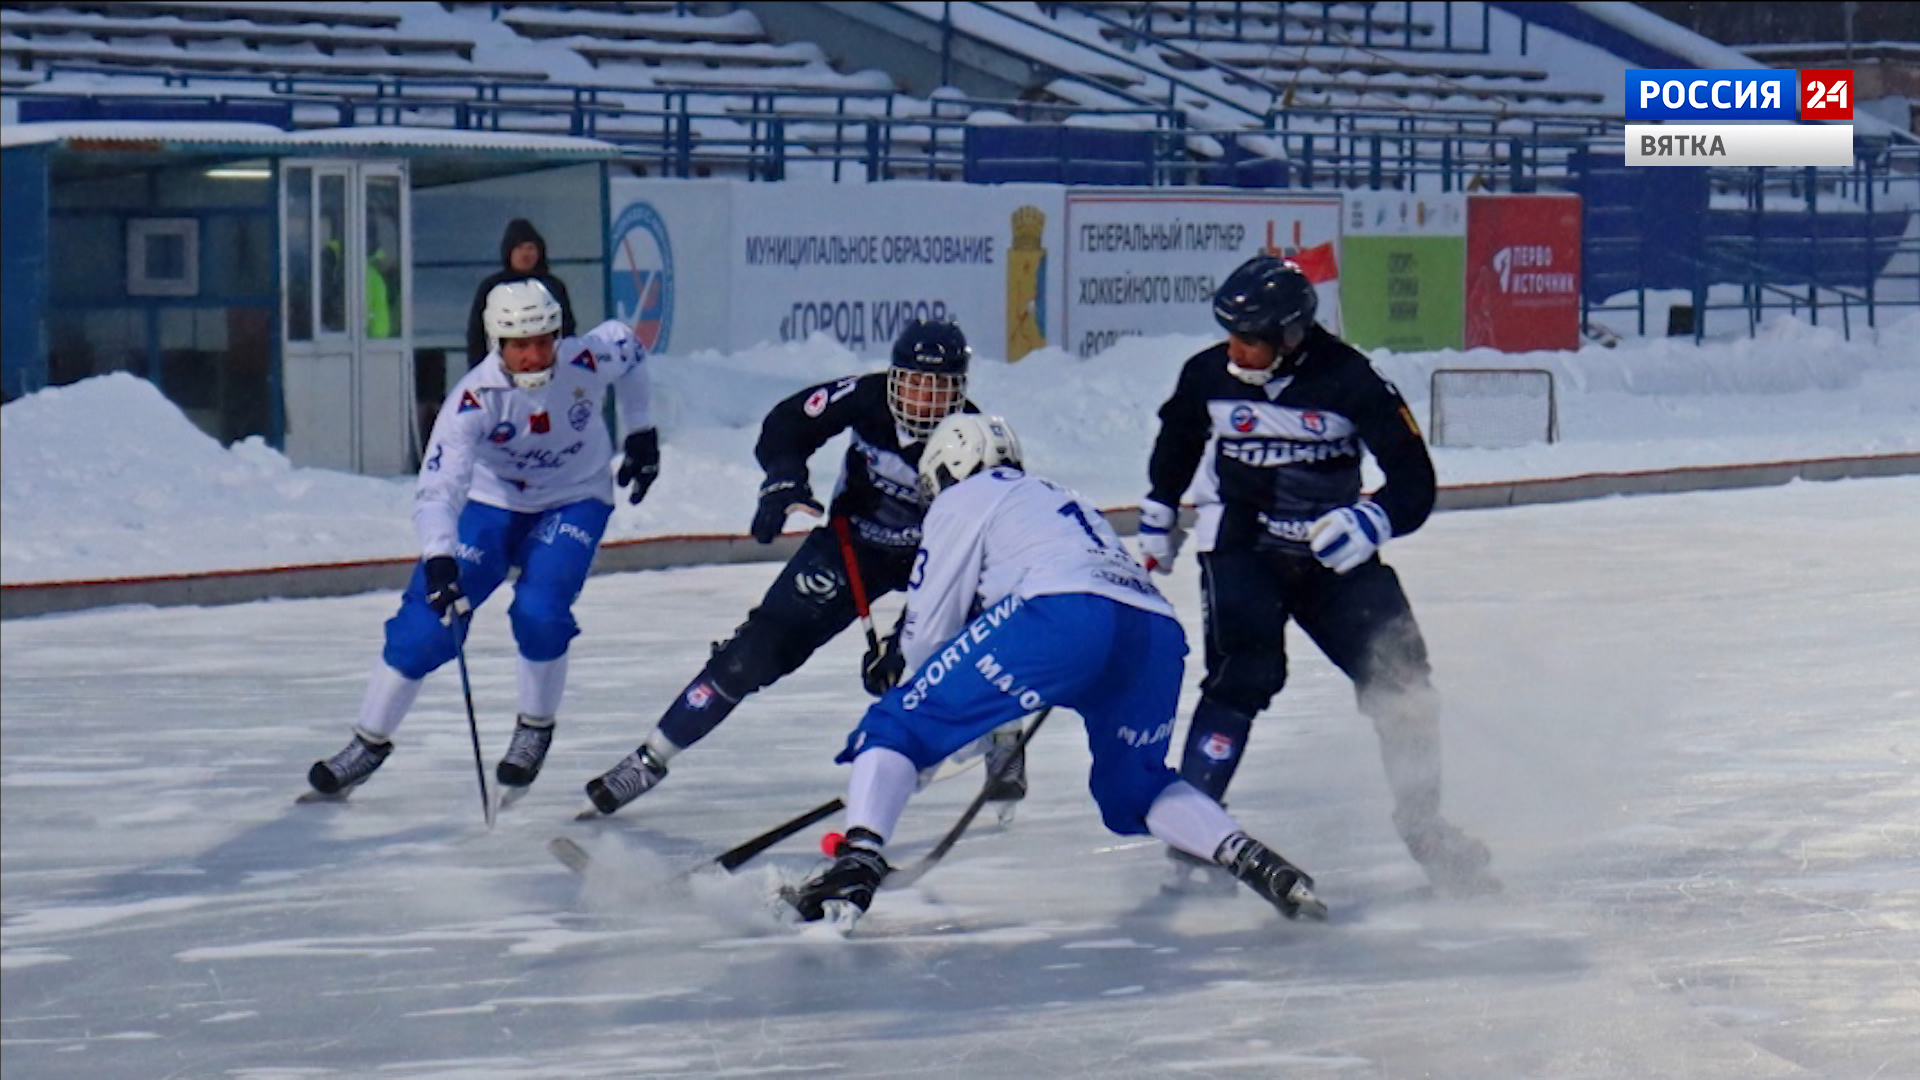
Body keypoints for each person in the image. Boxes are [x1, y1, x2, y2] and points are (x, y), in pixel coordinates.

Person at [780, 413, 1327, 931]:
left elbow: (928, 631)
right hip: (1153, 629)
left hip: (1062, 616)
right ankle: (1249, 857)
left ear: (950, 465)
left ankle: (856, 862)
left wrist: (919, 731)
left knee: (896, 723)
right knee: (1135, 788)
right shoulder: (1064, 497)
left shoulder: (965, 497)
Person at [1136, 253, 1499, 896]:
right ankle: (1193, 839)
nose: (1236, 351)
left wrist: (1372, 521)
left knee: (1405, 682)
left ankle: (1425, 826)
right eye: (1230, 335)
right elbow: (1179, 436)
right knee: (1245, 673)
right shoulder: (1207, 375)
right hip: (1241, 545)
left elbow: (1415, 481)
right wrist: (1160, 511)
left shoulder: (1352, 381)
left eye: (1251, 339)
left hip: (1332, 559)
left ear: (1291, 336)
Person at [580, 318, 1029, 816]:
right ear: (893, 377)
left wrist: (903, 640)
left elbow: (974, 549)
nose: (923, 402)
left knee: (980, 631)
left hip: (939, 558)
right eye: (914, 384)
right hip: (852, 546)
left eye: (939, 389)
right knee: (753, 651)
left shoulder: (975, 439)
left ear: (961, 391)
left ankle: (1005, 737)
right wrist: (784, 479)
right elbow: (787, 423)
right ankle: (652, 756)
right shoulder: (866, 396)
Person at [307, 280, 660, 801]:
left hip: (574, 498)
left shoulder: (585, 358)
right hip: (492, 505)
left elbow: (630, 349)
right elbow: (437, 489)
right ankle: (367, 742)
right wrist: (439, 558)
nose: (536, 355)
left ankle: (534, 727)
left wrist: (641, 432)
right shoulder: (472, 400)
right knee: (425, 627)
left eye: (544, 340)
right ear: (498, 343)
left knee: (541, 610)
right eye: (521, 345)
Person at [466, 219, 577, 368]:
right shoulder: (491, 286)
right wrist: (477, 370)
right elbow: (477, 334)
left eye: (530, 248)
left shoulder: (553, 286)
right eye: (519, 248)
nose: (525, 254)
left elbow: (567, 328)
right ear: (508, 252)